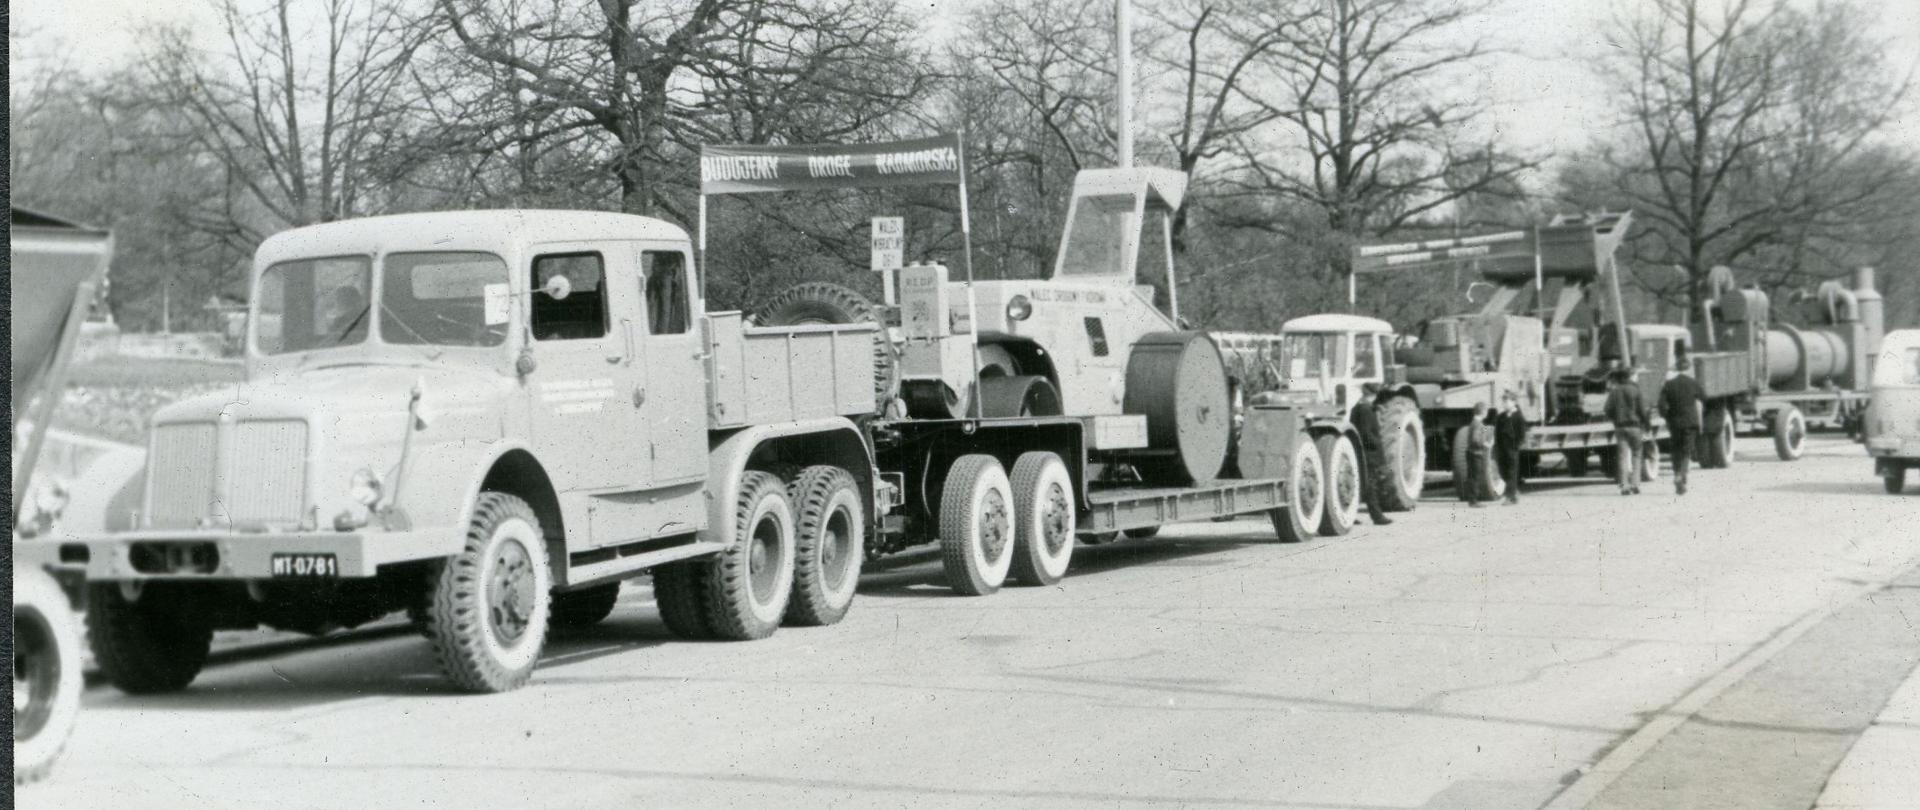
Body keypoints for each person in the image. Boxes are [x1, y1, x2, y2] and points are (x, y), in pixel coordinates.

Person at [1659, 358, 1705, 495]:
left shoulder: (1669, 384)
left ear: (1677, 369)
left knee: (1676, 450)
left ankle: (1677, 473)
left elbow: (1661, 405)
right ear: (1688, 369)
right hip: (1690, 422)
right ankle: (1681, 476)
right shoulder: (1693, 383)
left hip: (1674, 422)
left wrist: (1666, 416)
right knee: (1687, 450)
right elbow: (1704, 397)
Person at [1349, 386, 1393, 526]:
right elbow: (1366, 434)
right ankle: (1377, 517)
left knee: (1360, 485)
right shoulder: (1366, 410)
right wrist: (1379, 444)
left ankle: (1350, 515)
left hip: (1361, 452)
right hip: (1369, 454)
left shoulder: (1356, 408)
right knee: (1370, 486)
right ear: (1371, 395)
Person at [1604, 367, 1650, 495]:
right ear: (1630, 376)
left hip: (1620, 427)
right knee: (1636, 455)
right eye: (1635, 375)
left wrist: (1616, 419)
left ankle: (1624, 486)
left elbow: (1607, 409)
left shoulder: (1614, 391)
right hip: (1635, 427)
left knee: (1622, 457)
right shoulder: (1636, 390)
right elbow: (1642, 411)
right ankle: (1635, 484)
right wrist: (1647, 426)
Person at [1494, 389, 1530, 505]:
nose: (1504, 404)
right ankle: (1513, 493)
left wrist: (1516, 446)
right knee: (1503, 471)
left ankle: (1509, 497)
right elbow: (1497, 433)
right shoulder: (1501, 417)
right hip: (1502, 449)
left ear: (1514, 402)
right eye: (1503, 402)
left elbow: (1522, 434)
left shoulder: (1518, 417)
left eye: (1507, 401)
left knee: (1511, 473)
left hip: (1512, 449)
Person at [1465, 401, 1495, 507]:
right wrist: (1486, 444)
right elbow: (1475, 439)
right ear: (1482, 412)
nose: (1487, 413)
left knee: (1472, 477)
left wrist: (1486, 429)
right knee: (1475, 477)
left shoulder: (1475, 423)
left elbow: (1480, 431)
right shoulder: (1478, 424)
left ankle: (1472, 499)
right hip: (1476, 453)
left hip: (1471, 453)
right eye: (1486, 410)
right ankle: (1473, 501)